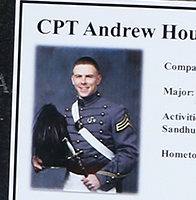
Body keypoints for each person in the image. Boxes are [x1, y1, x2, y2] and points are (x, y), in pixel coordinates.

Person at [29, 55, 137, 192]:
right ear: (73, 80)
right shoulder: (66, 113)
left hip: (104, 187)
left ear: (98, 79)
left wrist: (102, 178)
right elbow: (66, 153)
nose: (83, 82)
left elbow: (130, 153)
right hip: (71, 183)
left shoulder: (115, 112)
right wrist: (42, 160)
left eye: (89, 77)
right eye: (79, 77)